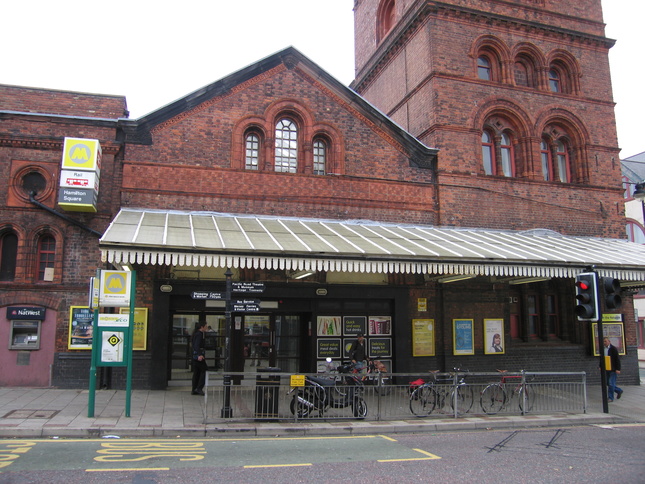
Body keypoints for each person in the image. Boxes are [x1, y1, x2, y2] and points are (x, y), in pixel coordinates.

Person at [602, 337, 623, 402]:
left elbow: (617, 359)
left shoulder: (613, 349)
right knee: (608, 383)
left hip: (613, 369)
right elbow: (602, 358)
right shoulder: (603, 349)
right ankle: (619, 390)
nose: (604, 343)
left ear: (609, 341)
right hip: (606, 368)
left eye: (605, 341)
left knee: (611, 383)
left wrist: (618, 369)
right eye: (603, 341)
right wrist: (600, 366)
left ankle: (610, 398)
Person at [191, 321, 208, 395]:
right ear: (202, 327)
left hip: (195, 356)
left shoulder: (196, 334)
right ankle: (199, 388)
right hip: (199, 356)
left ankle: (194, 389)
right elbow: (196, 345)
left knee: (197, 372)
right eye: (206, 326)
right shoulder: (199, 334)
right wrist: (199, 354)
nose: (206, 327)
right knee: (205, 370)